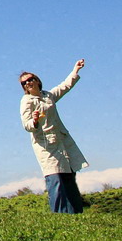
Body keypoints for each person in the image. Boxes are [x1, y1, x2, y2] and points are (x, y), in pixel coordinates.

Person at [20, 59, 88, 214]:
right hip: (46, 146)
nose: (28, 83)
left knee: (68, 176)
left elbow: (65, 86)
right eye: (24, 82)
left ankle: (75, 213)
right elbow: (26, 124)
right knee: (55, 178)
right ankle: (59, 214)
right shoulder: (26, 101)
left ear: (37, 80)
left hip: (61, 142)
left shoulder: (48, 96)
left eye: (30, 79)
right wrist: (35, 120)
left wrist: (75, 70)